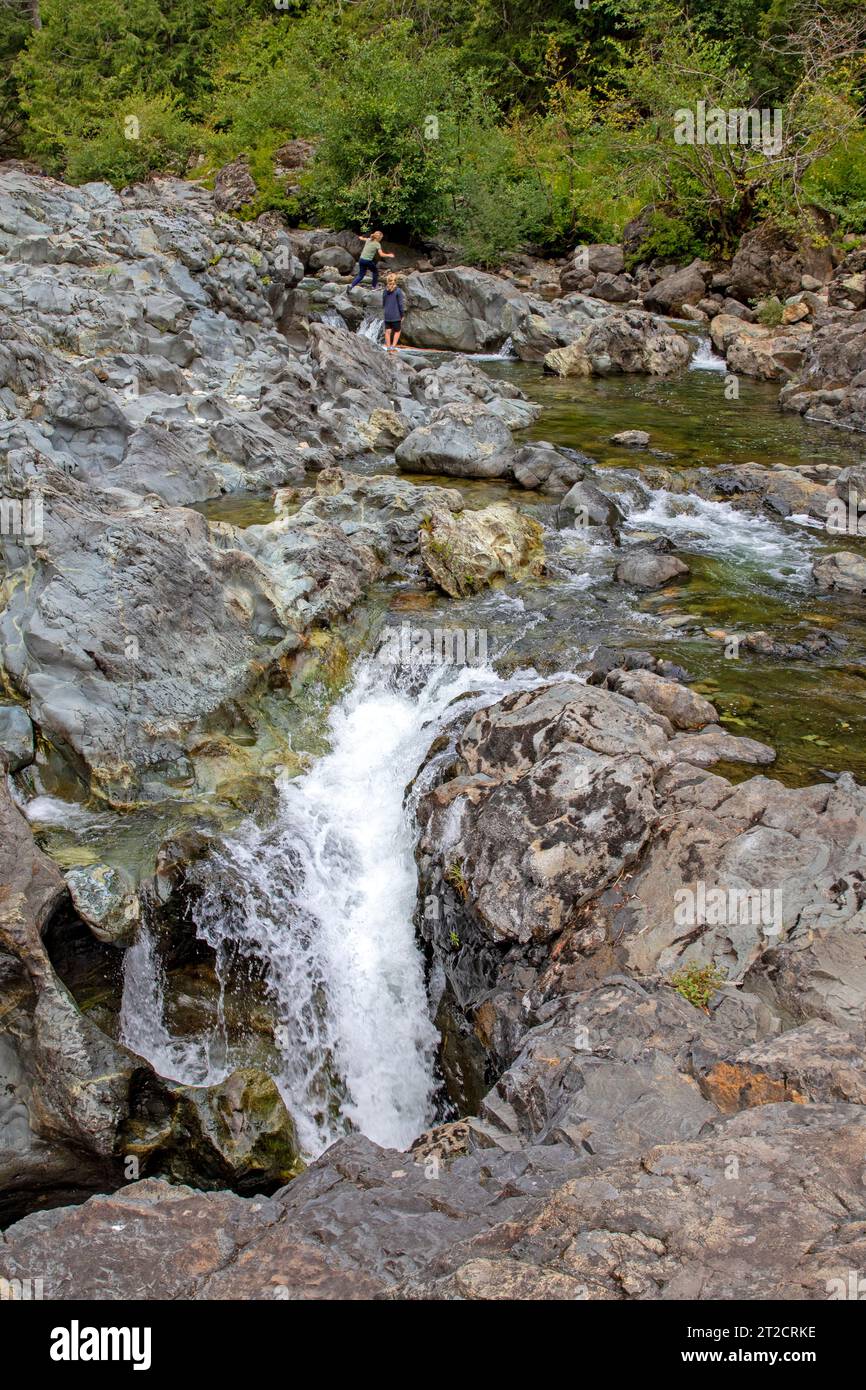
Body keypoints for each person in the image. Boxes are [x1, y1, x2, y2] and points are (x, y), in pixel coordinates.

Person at [382, 274, 405, 350]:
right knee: (398, 331)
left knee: (387, 331)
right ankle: (393, 346)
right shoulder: (398, 291)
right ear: (396, 281)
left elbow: (383, 302)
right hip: (396, 315)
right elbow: (400, 304)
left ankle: (388, 347)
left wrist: (385, 310)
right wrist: (402, 315)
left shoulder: (385, 291)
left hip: (387, 314)